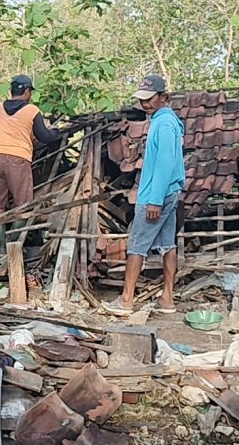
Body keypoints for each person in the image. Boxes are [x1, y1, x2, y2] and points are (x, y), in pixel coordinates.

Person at [103, 75, 185, 316]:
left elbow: (165, 164)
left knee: (136, 246)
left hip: (156, 195)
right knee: (168, 245)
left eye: (149, 99)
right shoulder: (165, 121)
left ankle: (126, 300)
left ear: (163, 97)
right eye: (142, 100)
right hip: (168, 192)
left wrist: (154, 200)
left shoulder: (164, 124)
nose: (145, 104)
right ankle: (167, 298)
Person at [0, 75, 60, 245]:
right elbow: (44, 136)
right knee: (23, 205)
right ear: (26, 91)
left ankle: (1, 246)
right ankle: (12, 242)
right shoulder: (32, 110)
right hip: (17, 158)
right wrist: (56, 132)